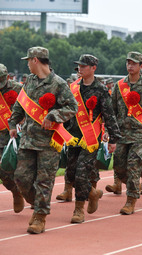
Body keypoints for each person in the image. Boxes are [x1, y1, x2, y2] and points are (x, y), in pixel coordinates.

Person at [8, 46, 78, 234]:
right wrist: (13, 124)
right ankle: (38, 203)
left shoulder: (58, 83)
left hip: (49, 142)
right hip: (28, 139)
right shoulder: (29, 81)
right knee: (21, 178)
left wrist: (54, 115)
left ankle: (40, 216)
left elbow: (72, 107)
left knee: (44, 181)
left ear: (36, 60)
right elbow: (19, 105)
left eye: (28, 61)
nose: (28, 65)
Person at [63, 54, 121, 224]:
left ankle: (78, 209)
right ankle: (93, 193)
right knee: (71, 173)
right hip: (73, 136)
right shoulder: (73, 87)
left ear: (93, 68)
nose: (80, 69)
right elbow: (67, 112)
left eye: (83, 66)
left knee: (82, 173)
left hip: (90, 139)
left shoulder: (101, 89)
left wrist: (113, 139)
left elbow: (109, 115)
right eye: (79, 66)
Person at [109, 51, 142, 215]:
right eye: (128, 63)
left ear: (141, 66)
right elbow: (112, 111)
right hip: (121, 134)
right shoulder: (119, 86)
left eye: (134, 63)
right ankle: (134, 186)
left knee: (133, 167)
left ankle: (130, 200)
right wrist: (109, 132)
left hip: (139, 135)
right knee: (119, 167)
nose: (130, 66)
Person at [0, 63, 23, 213]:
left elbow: (28, 109)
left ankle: (17, 191)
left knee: (7, 171)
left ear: (7, 77)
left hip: (11, 137)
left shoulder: (17, 88)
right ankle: (16, 191)